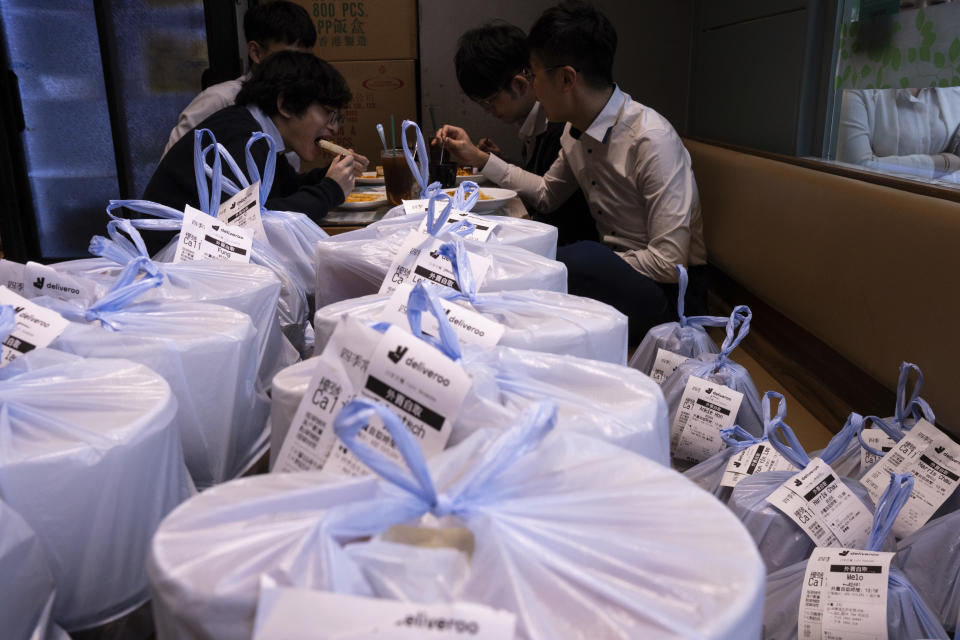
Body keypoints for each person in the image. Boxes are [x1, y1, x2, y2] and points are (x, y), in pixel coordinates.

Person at [436, 1, 707, 345]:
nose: (531, 88)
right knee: (530, 248)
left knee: (577, 255)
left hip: (671, 298)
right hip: (610, 274)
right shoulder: (573, 131)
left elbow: (669, 263)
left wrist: (573, 264)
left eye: (534, 76)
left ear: (566, 79)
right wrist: (482, 159)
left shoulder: (651, 139)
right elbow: (548, 193)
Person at [144, 51, 366, 222]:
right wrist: (330, 189)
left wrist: (329, 176)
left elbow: (286, 190)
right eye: (329, 114)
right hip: (163, 265)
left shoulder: (263, 138)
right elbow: (253, 221)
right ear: (286, 104)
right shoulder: (240, 138)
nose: (334, 129)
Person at [452, 22, 595, 245]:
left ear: (520, 84)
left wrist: (483, 159)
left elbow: (546, 200)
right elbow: (544, 189)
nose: (487, 111)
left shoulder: (560, 125)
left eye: (489, 101)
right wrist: (499, 160)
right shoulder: (539, 124)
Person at [161, 1, 316, 168]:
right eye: (292, 58)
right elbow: (169, 172)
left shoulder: (291, 109)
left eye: (308, 59)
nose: (302, 69)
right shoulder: (219, 100)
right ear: (256, 53)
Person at [836, 87, 960, 182]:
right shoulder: (857, 88)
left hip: (941, 207)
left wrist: (882, 163)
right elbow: (855, 167)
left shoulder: (952, 85)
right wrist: (943, 163)